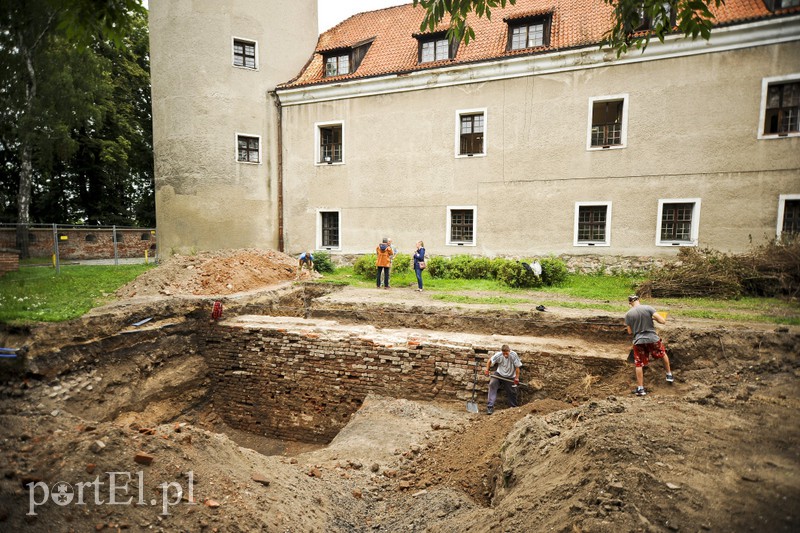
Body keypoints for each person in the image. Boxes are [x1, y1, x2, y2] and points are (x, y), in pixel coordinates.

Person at [625, 295, 673, 396]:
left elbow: (629, 332)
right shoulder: (648, 308)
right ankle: (669, 375)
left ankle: (640, 389)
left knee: (638, 364)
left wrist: (635, 325)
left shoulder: (628, 314)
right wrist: (653, 319)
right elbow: (662, 321)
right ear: (639, 300)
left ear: (630, 303)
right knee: (662, 353)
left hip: (639, 341)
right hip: (652, 338)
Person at [484, 344, 522, 414]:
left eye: (506, 353)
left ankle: (513, 408)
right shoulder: (499, 355)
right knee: (492, 384)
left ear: (509, 351)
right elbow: (489, 361)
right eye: (503, 353)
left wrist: (516, 378)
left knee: (512, 392)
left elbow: (517, 368)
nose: (505, 355)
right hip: (499, 374)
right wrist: (487, 370)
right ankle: (490, 407)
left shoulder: (514, 355)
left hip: (510, 376)